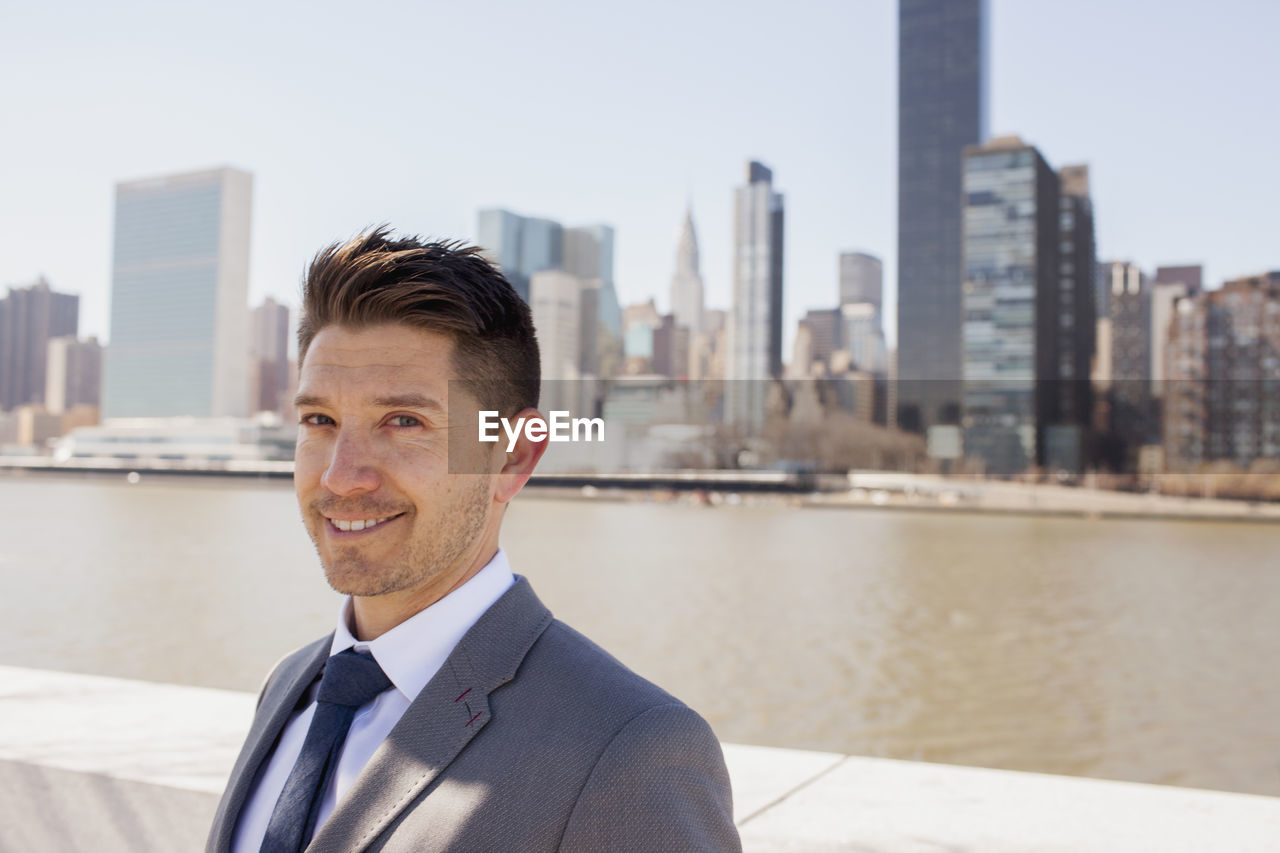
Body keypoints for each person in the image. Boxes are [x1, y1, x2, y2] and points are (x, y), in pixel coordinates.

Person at [206, 227, 740, 852]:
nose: (340, 476)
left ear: (513, 457)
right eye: (319, 420)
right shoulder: (290, 684)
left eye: (404, 421)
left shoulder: (630, 752)